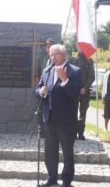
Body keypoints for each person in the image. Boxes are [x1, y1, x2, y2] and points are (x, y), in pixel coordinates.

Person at [35, 44, 81, 187]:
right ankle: (52, 178)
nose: (53, 57)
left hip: (66, 120)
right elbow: (37, 89)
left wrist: (65, 80)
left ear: (64, 55)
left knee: (67, 152)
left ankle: (66, 181)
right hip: (49, 118)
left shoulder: (75, 71)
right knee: (50, 151)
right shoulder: (47, 70)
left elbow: (75, 94)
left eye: (56, 54)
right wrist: (40, 91)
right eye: (51, 55)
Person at [69, 46, 95, 140]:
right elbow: (69, 74)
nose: (80, 48)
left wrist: (85, 87)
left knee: (83, 112)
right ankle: (73, 132)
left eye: (82, 46)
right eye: (79, 46)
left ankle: (81, 133)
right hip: (74, 90)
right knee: (73, 111)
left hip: (85, 91)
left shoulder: (89, 61)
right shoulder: (72, 59)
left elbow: (92, 77)